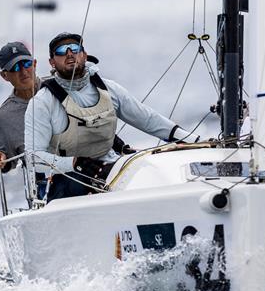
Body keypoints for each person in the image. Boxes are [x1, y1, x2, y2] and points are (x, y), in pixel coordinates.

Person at [25, 32, 195, 203]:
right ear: (52, 62)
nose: (70, 54)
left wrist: (192, 140)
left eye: (75, 49)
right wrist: (74, 163)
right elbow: (33, 158)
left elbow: (148, 119)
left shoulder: (109, 89)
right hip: (69, 181)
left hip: (113, 168)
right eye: (61, 51)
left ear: (84, 55)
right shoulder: (42, 102)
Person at [0, 42, 40, 173]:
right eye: (15, 67)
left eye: (27, 64)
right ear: (4, 76)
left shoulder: (58, 89)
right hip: (45, 186)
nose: (23, 72)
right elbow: (5, 161)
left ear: (34, 64)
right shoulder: (3, 117)